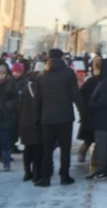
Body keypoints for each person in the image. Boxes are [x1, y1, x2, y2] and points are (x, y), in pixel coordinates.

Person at [34, 49, 80, 187]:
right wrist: (83, 112)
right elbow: (75, 94)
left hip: (46, 118)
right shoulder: (68, 73)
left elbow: (37, 100)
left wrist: (37, 118)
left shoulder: (41, 76)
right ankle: (64, 176)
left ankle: (45, 178)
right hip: (65, 117)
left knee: (47, 149)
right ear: (62, 57)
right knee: (65, 148)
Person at [86, 58, 107, 180]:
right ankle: (106, 169)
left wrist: (90, 105)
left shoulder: (106, 82)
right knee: (105, 144)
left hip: (103, 117)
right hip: (105, 117)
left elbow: (103, 101)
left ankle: (102, 170)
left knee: (102, 144)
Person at [18, 69, 43, 183]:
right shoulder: (41, 90)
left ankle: (27, 172)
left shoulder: (25, 90)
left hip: (25, 123)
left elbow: (19, 107)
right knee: (38, 149)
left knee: (28, 149)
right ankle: (37, 173)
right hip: (38, 123)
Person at [76, 56, 101, 166]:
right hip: (96, 114)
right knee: (98, 139)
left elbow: (80, 96)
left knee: (89, 138)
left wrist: (84, 110)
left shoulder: (90, 81)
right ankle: (94, 160)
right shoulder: (102, 81)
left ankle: (83, 154)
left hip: (89, 114)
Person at [10, 62, 28, 154]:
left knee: (19, 129)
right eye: (14, 72)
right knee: (12, 130)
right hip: (11, 110)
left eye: (18, 72)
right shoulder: (10, 81)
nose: (16, 74)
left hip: (21, 110)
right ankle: (11, 145)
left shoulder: (25, 82)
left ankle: (14, 144)